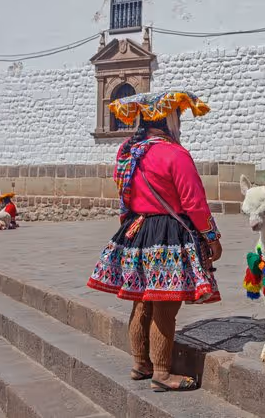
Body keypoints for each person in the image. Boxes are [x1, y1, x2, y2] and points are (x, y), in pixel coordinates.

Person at [87, 91, 221, 392]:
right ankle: (162, 372)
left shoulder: (129, 153)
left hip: (138, 229)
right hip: (167, 234)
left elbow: (126, 195)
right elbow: (194, 202)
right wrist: (211, 237)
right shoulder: (175, 154)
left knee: (142, 301)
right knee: (165, 305)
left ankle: (140, 363)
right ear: (169, 119)